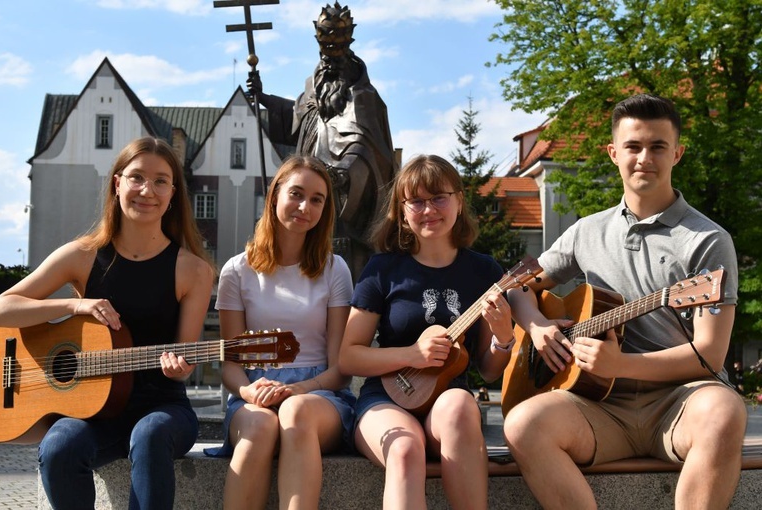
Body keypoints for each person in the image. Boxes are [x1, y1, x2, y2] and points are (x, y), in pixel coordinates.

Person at [502, 93, 747, 509]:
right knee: (523, 423)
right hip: (598, 405)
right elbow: (516, 286)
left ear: (678, 153)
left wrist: (621, 364)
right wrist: (537, 326)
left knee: (726, 411)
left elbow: (710, 354)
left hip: (681, 400)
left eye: (658, 147)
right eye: (633, 146)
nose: (644, 158)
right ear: (613, 153)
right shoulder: (585, 232)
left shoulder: (707, 240)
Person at [0, 136, 215, 509]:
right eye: (137, 177)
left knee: (149, 433)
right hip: (92, 409)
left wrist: (179, 368)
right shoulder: (81, 256)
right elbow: (3, 307)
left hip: (162, 408)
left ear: (173, 193)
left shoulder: (193, 271)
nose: (147, 190)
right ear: (117, 183)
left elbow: (184, 362)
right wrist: (75, 306)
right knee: (59, 445)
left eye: (161, 180)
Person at [339, 154, 515, 510]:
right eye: (416, 201)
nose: (428, 209)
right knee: (404, 449)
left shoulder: (484, 271)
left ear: (459, 201)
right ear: (402, 211)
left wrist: (503, 338)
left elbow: (489, 369)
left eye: (438, 198)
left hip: (448, 401)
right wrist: (411, 355)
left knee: (460, 406)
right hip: (385, 399)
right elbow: (348, 355)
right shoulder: (382, 269)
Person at [205, 155, 355, 510]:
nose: (305, 206)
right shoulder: (236, 271)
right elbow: (230, 364)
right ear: (274, 197)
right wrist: (248, 390)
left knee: (295, 412)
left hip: (319, 394)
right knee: (259, 427)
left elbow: (341, 369)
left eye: (317, 199)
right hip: (254, 392)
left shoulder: (336, 270)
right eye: (296, 194)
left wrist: (297, 389)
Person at [249, 2, 396, 276]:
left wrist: (342, 174)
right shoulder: (314, 83)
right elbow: (300, 115)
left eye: (335, 49)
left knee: (341, 260)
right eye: (325, 48)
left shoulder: (364, 96)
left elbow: (368, 147)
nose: (329, 57)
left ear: (347, 45)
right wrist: (264, 97)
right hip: (311, 185)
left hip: (344, 199)